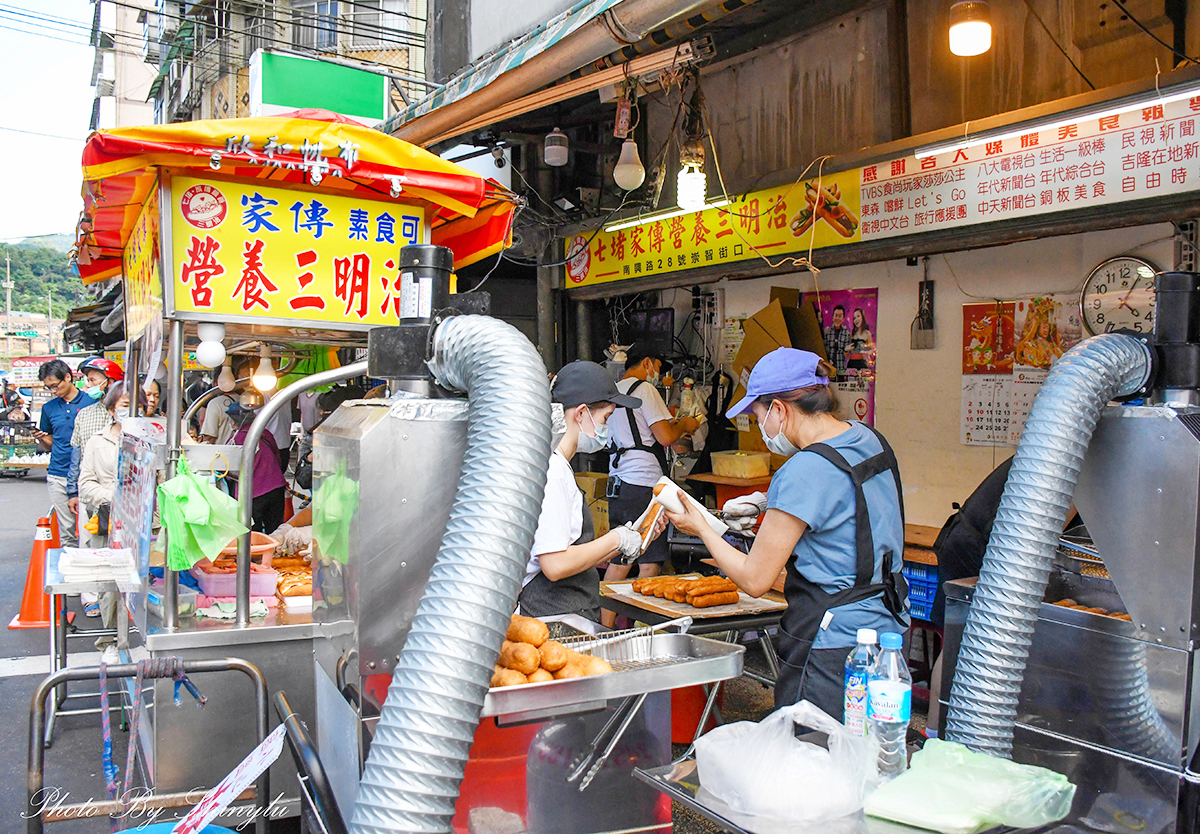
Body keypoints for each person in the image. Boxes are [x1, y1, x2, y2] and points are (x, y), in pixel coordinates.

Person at [664, 348, 908, 717]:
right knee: (870, 750)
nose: (760, 429)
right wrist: (768, 503)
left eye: (757, 415)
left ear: (779, 409)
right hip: (888, 628)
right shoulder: (869, 438)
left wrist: (700, 527)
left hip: (832, 645)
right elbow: (846, 495)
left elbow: (755, 579)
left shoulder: (803, 470)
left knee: (814, 757)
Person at [519, 361, 660, 621]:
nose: (606, 429)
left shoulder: (557, 465)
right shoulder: (553, 470)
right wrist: (615, 539)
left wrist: (632, 540)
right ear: (581, 413)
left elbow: (573, 551)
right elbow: (555, 564)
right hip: (552, 613)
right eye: (605, 418)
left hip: (568, 608)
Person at [602, 349, 700, 596]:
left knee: (619, 554)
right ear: (646, 362)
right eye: (657, 366)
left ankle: (605, 626)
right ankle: (638, 626)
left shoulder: (612, 391)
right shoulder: (645, 390)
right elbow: (665, 437)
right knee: (649, 560)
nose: (658, 374)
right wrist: (685, 425)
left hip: (619, 482)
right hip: (643, 482)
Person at [34, 360, 90, 548]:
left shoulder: (91, 402)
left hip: (86, 475)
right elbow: (50, 445)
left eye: (55, 386)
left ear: (68, 377)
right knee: (66, 530)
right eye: (48, 387)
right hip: (58, 474)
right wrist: (41, 438)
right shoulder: (48, 408)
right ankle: (70, 571)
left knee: (89, 529)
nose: (53, 391)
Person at [67, 357, 124, 522]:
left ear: (110, 381)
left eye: (93, 380)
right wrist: (73, 491)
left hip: (126, 501)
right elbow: (76, 456)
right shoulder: (84, 414)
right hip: (92, 498)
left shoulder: (126, 416)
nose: (88, 385)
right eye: (88, 380)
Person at [228, 397, 287, 532]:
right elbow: (278, 459)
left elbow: (228, 473)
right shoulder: (265, 434)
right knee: (275, 531)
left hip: (251, 494)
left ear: (233, 422)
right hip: (275, 488)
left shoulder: (235, 440)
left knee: (253, 533)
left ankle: (257, 553)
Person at [823, 305, 850, 379]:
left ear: (843, 319)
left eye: (840, 316)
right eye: (836, 315)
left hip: (841, 369)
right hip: (828, 369)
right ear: (833, 317)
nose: (837, 318)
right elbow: (824, 350)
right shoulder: (827, 331)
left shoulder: (846, 334)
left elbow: (846, 356)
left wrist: (846, 350)